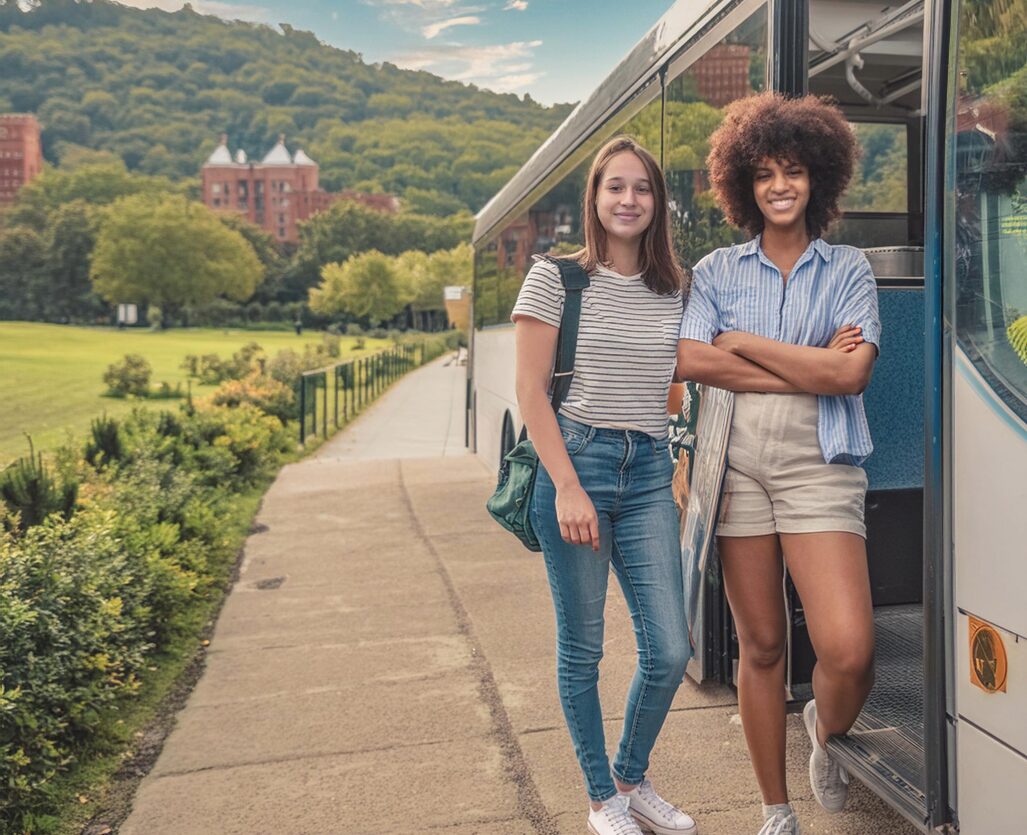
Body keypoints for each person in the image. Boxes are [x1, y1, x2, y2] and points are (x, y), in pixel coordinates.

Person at [676, 92, 880, 835]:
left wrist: (742, 343)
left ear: (816, 178)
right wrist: (805, 362)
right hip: (732, 457)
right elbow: (689, 359)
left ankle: (823, 733)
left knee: (848, 648)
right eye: (763, 174)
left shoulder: (848, 267)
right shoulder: (715, 269)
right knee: (760, 644)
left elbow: (848, 378)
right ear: (743, 185)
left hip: (817, 456)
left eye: (792, 171)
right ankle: (774, 809)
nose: (779, 187)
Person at [512, 136, 697, 835]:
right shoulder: (555, 278)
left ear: (658, 203)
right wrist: (565, 485)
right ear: (593, 199)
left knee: (671, 649)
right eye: (614, 186)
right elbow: (530, 391)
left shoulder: (675, 288)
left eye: (641, 188)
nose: (628, 199)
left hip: (647, 469)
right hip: (576, 462)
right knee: (583, 647)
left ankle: (629, 774)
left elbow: (682, 378)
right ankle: (600, 800)